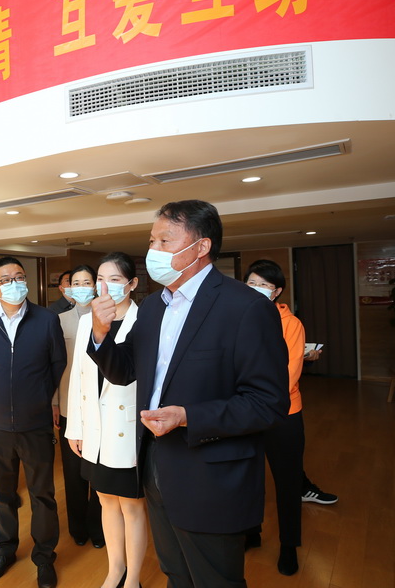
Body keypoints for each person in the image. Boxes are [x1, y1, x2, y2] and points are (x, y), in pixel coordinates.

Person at [88, 200, 289, 588]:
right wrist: (100, 332)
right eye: (152, 241)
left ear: (201, 247)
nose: (154, 250)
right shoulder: (153, 307)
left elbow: (268, 403)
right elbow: (125, 370)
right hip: (156, 467)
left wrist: (187, 416)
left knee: (215, 580)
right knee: (176, 574)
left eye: (165, 241)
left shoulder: (246, 307)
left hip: (210, 476)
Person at [0, 256, 66, 588]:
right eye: (6, 279)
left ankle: (44, 557)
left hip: (35, 423)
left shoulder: (46, 319)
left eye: (19, 276)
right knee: (2, 493)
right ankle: (5, 550)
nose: (15, 283)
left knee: (43, 494)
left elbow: (57, 363)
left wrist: (41, 397)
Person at [243, 259, 336, 576]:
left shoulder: (290, 324)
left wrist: (250, 396)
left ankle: (288, 546)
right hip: (245, 412)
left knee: (287, 482)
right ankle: (251, 533)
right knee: (249, 478)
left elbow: (289, 373)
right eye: (251, 283)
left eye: (264, 285)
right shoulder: (238, 317)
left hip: (283, 413)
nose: (257, 289)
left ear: (277, 291)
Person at [65, 252, 146, 588]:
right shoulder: (88, 321)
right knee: (105, 501)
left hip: (127, 429)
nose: (104, 286)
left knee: (131, 507)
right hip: (95, 430)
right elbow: (79, 377)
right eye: (100, 279)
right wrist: (75, 427)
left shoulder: (144, 322)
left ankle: (134, 578)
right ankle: (115, 570)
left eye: (114, 279)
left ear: (132, 284)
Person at [55, 264, 104, 549]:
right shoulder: (58, 320)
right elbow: (53, 365)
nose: (82, 287)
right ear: (68, 288)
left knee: (97, 470)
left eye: (87, 282)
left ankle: (98, 526)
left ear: (95, 286)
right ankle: (77, 527)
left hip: (100, 406)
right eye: (77, 282)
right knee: (73, 473)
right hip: (69, 406)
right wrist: (54, 402)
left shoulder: (108, 316)